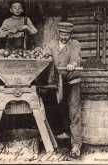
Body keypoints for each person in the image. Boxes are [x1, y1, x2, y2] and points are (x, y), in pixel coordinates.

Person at [43, 22, 82, 157]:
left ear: (70, 35)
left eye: (67, 34)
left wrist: (73, 63)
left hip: (72, 81)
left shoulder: (74, 44)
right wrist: (46, 57)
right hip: (57, 82)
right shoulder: (52, 43)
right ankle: (65, 132)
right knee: (60, 108)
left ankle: (76, 145)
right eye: (62, 34)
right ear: (59, 33)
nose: (64, 37)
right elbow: (46, 53)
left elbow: (76, 55)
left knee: (74, 112)